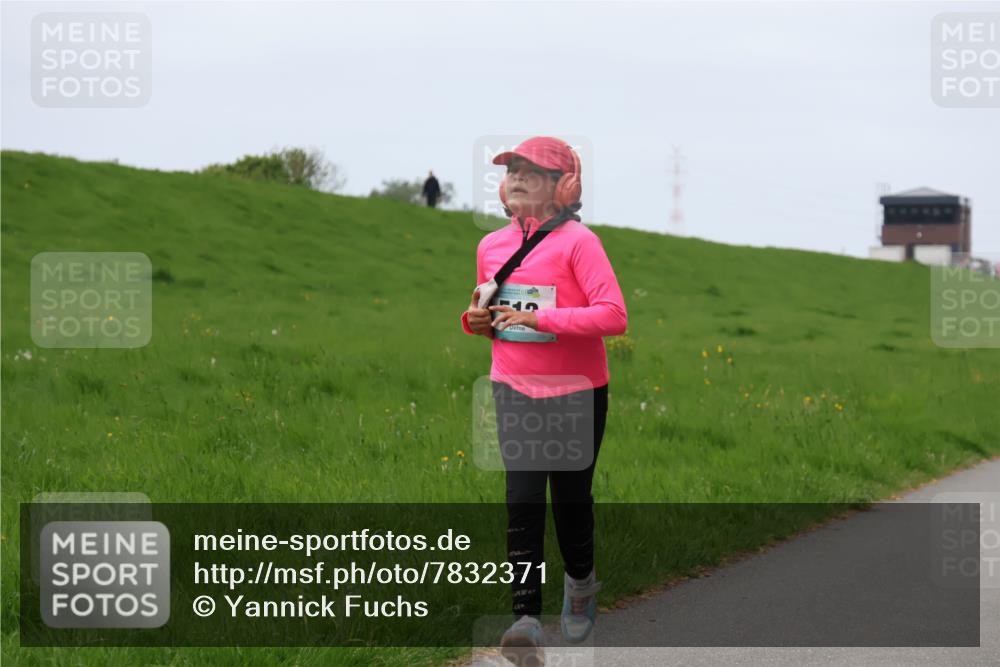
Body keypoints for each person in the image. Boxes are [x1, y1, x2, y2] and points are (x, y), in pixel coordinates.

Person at [459, 136, 627, 665]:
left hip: (577, 390)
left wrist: (542, 319)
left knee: (571, 501)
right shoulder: (491, 246)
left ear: (564, 186)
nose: (516, 179)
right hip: (514, 387)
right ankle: (525, 620)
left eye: (531, 172)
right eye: (511, 171)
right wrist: (475, 321)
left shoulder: (580, 243)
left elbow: (613, 315)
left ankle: (580, 584)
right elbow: (487, 312)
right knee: (523, 500)